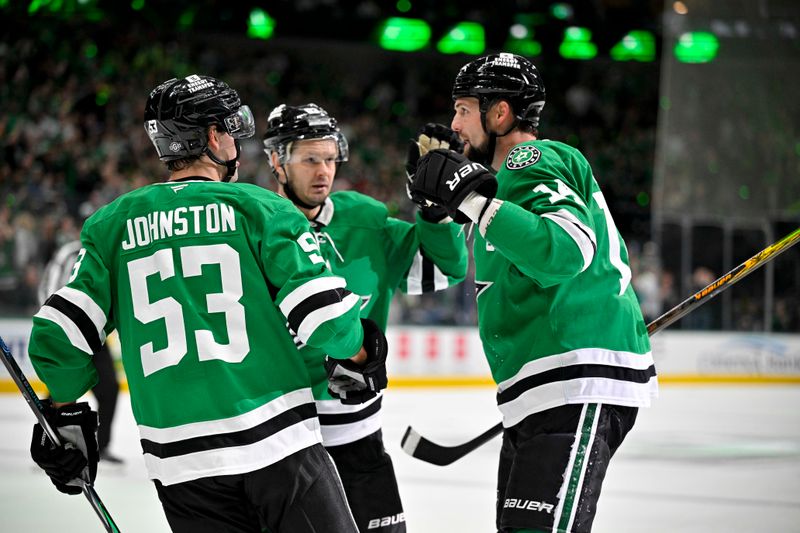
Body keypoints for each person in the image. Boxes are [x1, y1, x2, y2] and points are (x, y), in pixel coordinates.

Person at [27, 74, 389, 533]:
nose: (236, 144)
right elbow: (327, 323)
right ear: (214, 136)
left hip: (180, 465)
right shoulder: (261, 209)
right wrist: (362, 355)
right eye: (231, 132)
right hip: (277, 446)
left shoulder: (110, 226)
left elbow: (58, 337)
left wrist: (63, 413)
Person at [408, 53, 658, 533]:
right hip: (541, 384)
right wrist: (437, 207)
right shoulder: (498, 190)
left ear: (499, 114)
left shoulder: (532, 158)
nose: (454, 124)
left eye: (463, 109)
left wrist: (469, 196)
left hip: (574, 372)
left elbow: (567, 250)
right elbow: (444, 270)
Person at [262, 103, 468, 532]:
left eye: (330, 158)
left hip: (359, 439)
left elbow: (443, 267)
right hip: (278, 444)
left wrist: (434, 212)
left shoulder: (365, 220)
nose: (323, 171)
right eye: (309, 159)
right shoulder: (252, 226)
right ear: (276, 161)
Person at [37, 238, 123, 464]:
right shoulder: (69, 252)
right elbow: (49, 288)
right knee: (62, 390)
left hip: (94, 337)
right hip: (68, 334)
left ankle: (100, 447)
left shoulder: (104, 253)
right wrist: (58, 327)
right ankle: (53, 443)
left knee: (109, 390)